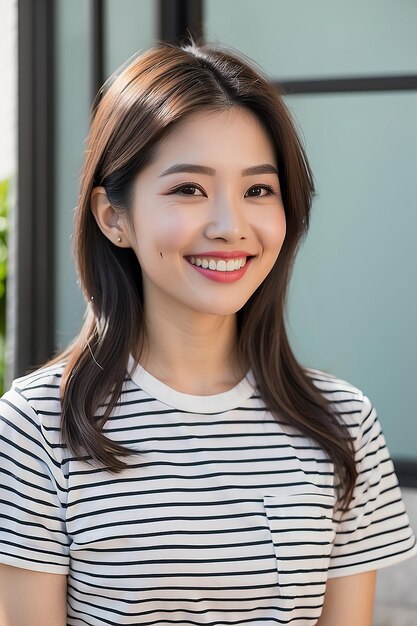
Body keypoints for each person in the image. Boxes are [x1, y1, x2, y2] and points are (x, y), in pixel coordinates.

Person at [0, 39, 415, 626]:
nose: (230, 225)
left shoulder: (341, 424)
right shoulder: (39, 424)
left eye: (258, 190)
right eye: (188, 188)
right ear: (113, 216)